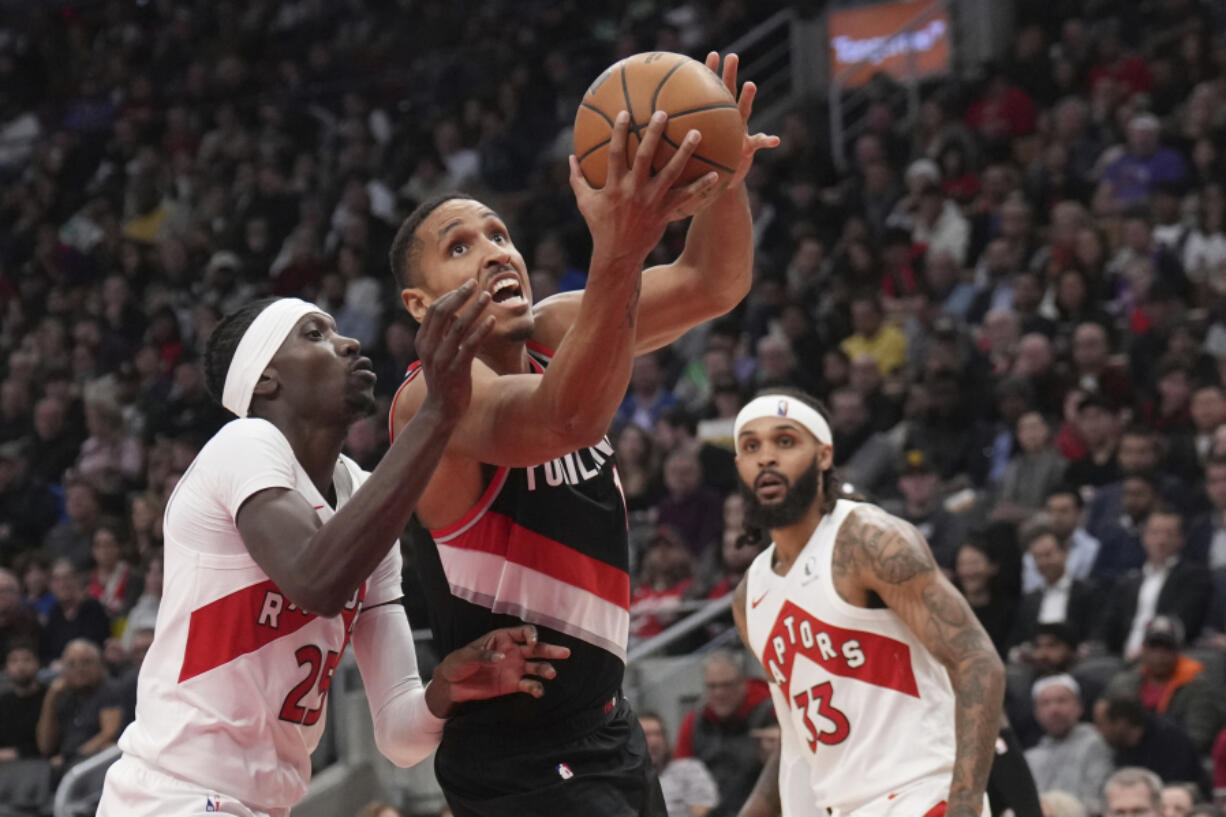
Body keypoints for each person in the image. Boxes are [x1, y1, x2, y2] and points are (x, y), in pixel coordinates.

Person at [387, 54, 776, 817]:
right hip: (518, 755)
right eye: (460, 246)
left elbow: (713, 283)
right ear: (418, 302)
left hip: (605, 726)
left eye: (499, 233)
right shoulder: (430, 398)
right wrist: (623, 247)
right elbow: (562, 420)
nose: (497, 250)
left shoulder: (559, 326)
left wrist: (720, 178)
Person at [96, 290, 570, 817]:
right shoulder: (244, 444)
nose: (348, 343)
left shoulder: (363, 499)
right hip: (173, 794)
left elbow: (400, 738)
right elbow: (315, 581)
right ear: (267, 380)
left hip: (260, 805)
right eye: (315, 334)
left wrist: (445, 690)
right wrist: (437, 413)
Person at [731, 388, 1007, 817]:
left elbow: (976, 661)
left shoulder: (866, 541)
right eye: (751, 446)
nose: (766, 457)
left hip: (920, 796)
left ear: (824, 456)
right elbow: (798, 736)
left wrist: (965, 805)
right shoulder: (750, 595)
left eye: (785, 441)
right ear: (739, 467)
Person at [1104, 615, 1225, 754]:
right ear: (1143, 649)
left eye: (1167, 647)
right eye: (1153, 646)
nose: (1159, 655)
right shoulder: (1123, 683)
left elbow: (1197, 739)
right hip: (1126, 753)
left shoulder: (1199, 688)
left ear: (1179, 650)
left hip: (1173, 760)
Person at [673, 650, 774, 817]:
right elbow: (679, 778)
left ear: (743, 683)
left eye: (727, 685)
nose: (719, 693)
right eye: (712, 686)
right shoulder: (695, 721)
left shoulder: (771, 714)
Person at [1023, 674, 1113, 814]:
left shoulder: (1095, 744)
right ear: (1037, 713)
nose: (1054, 709)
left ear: (1079, 707)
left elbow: (1098, 802)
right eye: (1045, 703)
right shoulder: (1031, 757)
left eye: (1061, 701)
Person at [1094, 697, 1207, 792]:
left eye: (1102, 724)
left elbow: (1178, 785)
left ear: (1122, 723)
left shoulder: (1170, 739)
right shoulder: (1121, 747)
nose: (1099, 732)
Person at [639, 711, 720, 817]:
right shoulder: (621, 779)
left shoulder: (689, 770)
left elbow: (704, 810)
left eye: (658, 734)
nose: (653, 741)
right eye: (646, 735)